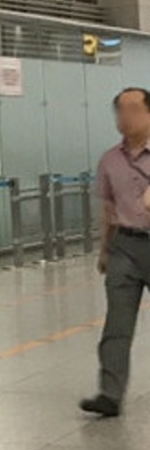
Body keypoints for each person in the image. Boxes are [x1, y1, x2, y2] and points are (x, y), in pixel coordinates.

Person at [82, 87, 150, 417]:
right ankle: (110, 394)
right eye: (120, 111)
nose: (126, 117)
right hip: (125, 246)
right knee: (117, 324)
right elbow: (108, 208)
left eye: (134, 109)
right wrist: (104, 250)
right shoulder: (109, 160)